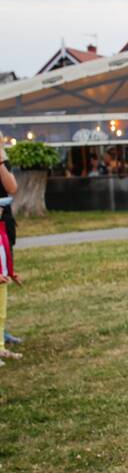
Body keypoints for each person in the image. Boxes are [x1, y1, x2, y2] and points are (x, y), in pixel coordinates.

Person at [0, 141, 19, 364]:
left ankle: (2, 337)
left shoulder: (3, 163)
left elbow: (12, 187)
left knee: (3, 282)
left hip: (4, 229)